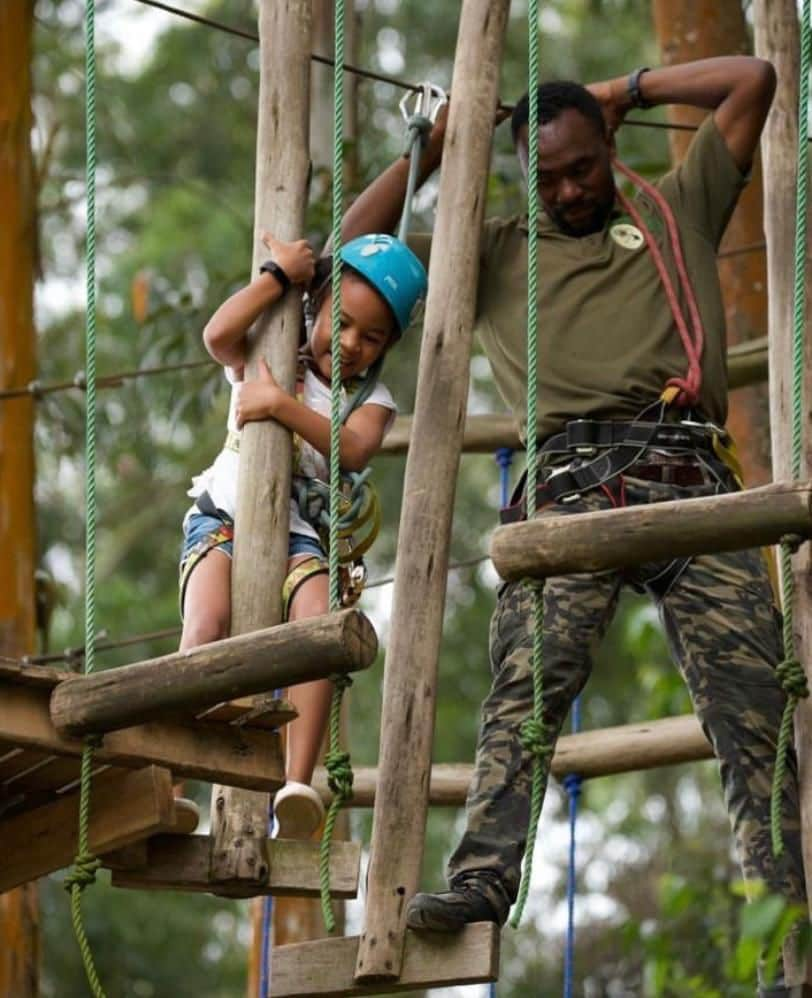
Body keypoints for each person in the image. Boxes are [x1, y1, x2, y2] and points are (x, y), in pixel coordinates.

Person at [340, 57, 807, 996]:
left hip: (685, 473)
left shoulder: (674, 210)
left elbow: (752, 80)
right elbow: (353, 246)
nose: (567, 189)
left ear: (609, 150)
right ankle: (480, 882)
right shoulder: (499, 250)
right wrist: (432, 150)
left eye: (582, 168)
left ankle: (789, 937)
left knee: (757, 710)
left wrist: (624, 91)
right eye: (546, 176)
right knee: (525, 685)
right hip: (571, 490)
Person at [179, 231, 427, 839]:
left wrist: (278, 405)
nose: (350, 345)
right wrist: (276, 277)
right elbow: (216, 337)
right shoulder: (273, 343)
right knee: (206, 624)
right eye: (341, 323)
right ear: (318, 301)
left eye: (371, 338)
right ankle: (173, 772)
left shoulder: (372, 399)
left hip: (297, 535)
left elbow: (358, 448)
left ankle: (296, 781)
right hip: (221, 516)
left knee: (316, 629)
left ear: (390, 344)